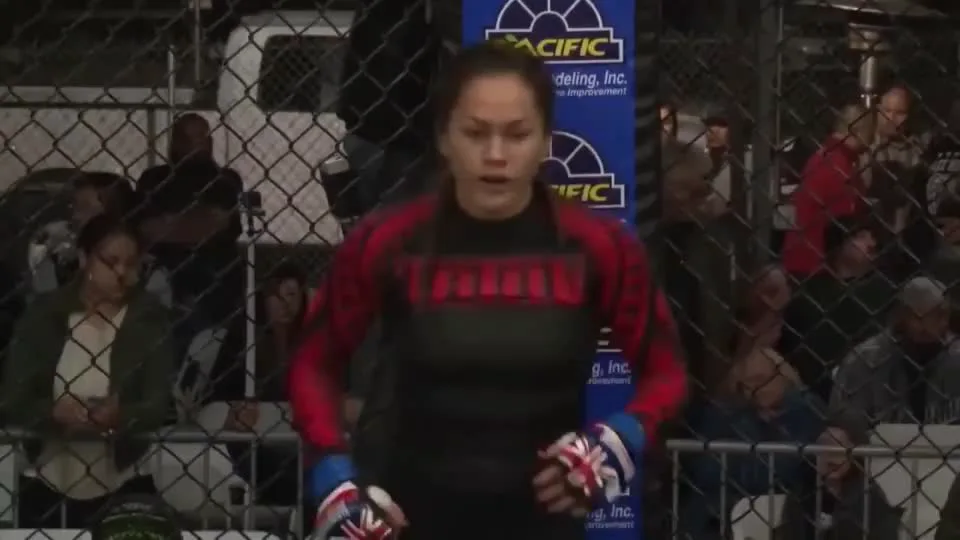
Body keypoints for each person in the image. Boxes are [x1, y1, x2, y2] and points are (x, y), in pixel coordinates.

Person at [289, 42, 687, 540]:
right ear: (444, 138)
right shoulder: (387, 239)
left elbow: (668, 372)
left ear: (545, 142)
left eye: (517, 134)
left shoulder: (600, 247)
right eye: (475, 133)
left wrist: (619, 441)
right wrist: (332, 475)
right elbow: (314, 362)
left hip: (542, 527)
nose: (496, 155)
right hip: (400, 519)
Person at [4, 215, 176, 528]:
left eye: (131, 264)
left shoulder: (149, 320)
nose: (121, 272)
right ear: (84, 259)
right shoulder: (44, 315)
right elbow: (13, 398)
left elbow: (158, 402)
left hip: (125, 477)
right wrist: (53, 412)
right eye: (110, 262)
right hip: (47, 478)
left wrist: (120, 415)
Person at [680, 348, 825, 540]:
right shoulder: (726, 412)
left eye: (763, 379)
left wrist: (738, 461)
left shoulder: (807, 411)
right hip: (718, 510)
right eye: (748, 382)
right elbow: (705, 468)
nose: (756, 387)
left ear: (784, 376)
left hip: (780, 509)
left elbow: (787, 470)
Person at [135, 113, 243, 323]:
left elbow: (220, 224)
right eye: (188, 138)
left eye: (202, 137)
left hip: (213, 270)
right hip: (164, 266)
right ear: (175, 142)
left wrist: (170, 222)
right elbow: (147, 228)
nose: (197, 144)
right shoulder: (153, 178)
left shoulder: (225, 180)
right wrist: (199, 220)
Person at [829, 276, 960, 441]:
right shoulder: (866, 359)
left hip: (950, 453)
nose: (928, 325)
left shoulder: (956, 357)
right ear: (902, 315)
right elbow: (843, 421)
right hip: (876, 452)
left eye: (938, 315)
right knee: (834, 437)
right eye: (919, 316)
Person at [781, 216, 896, 400]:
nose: (872, 243)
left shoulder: (882, 290)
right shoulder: (810, 292)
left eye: (872, 237)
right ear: (840, 244)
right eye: (861, 236)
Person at [29, 172, 172, 305]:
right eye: (73, 207)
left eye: (85, 207)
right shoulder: (57, 267)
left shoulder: (149, 274)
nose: (75, 216)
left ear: (114, 215)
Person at [782, 104, 875, 277]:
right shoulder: (839, 166)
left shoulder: (826, 156)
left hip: (803, 258)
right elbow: (845, 222)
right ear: (859, 131)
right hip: (817, 264)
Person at [774, 427, 902, 540]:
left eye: (840, 444)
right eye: (825, 444)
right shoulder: (800, 493)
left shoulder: (871, 497)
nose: (831, 454)